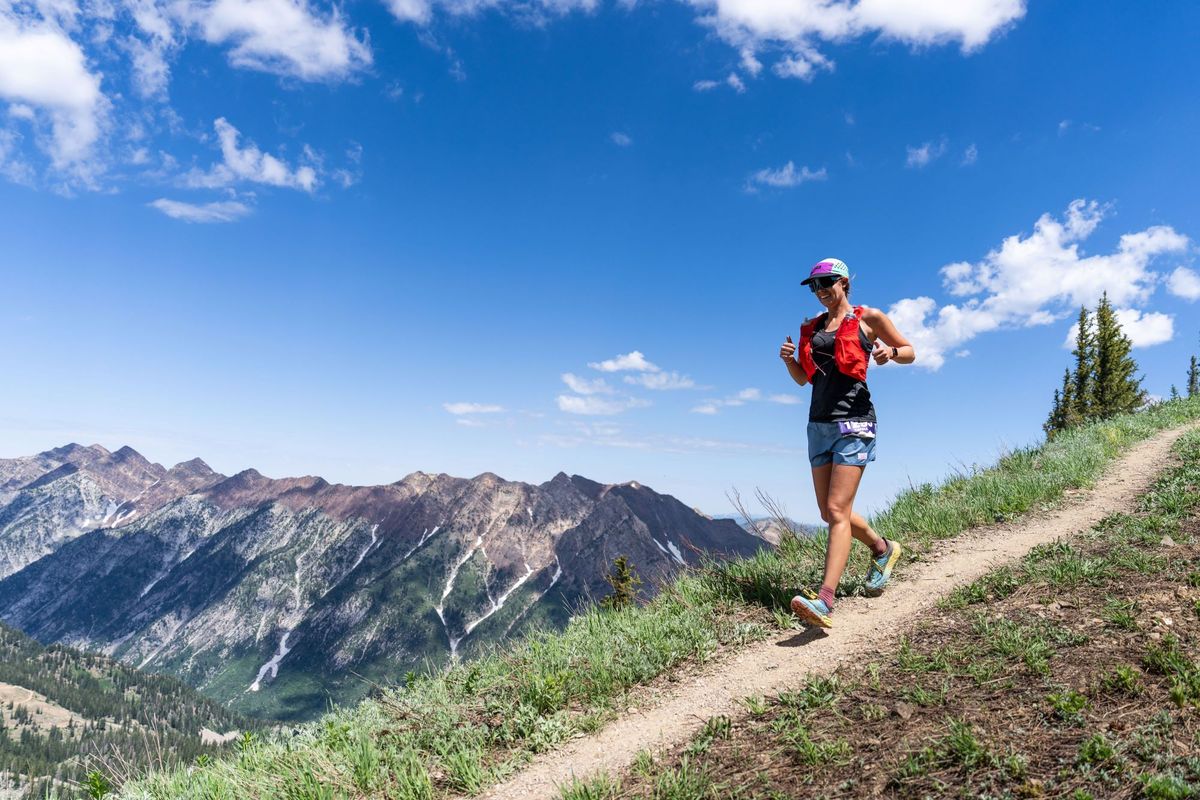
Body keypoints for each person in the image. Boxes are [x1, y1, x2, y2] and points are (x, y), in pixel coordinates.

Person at [778, 257, 915, 628]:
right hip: (818, 425)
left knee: (837, 511)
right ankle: (883, 550)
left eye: (827, 283)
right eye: (814, 286)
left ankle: (824, 600)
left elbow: (909, 351)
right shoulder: (813, 328)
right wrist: (790, 361)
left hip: (854, 423)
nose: (821, 291)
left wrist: (889, 353)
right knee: (829, 512)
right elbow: (804, 380)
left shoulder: (869, 318)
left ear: (844, 283)